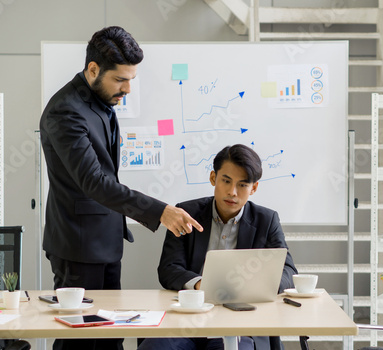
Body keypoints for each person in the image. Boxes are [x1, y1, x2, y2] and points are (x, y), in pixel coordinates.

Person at [39, 26, 202, 350]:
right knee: (81, 340)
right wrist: (160, 212)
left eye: (131, 79)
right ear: (93, 69)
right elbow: (95, 182)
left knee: (110, 336)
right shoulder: (66, 111)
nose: (127, 88)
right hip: (78, 245)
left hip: (105, 241)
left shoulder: (99, 102)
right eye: (120, 80)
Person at [138, 144, 298, 350]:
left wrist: (252, 286)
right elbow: (169, 268)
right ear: (213, 178)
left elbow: (288, 271)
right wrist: (200, 285)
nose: (232, 192)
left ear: (254, 188)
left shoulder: (266, 220)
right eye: (226, 181)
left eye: (242, 185)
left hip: (240, 322)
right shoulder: (186, 213)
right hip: (189, 317)